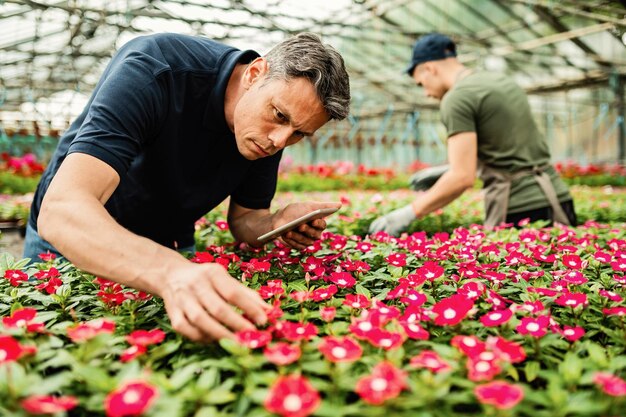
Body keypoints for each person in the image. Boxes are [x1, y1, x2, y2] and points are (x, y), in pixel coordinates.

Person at [23, 32, 350, 342]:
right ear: (254, 74)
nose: (280, 141)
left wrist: (275, 223)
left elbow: (246, 218)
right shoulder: (154, 69)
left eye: (298, 134)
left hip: (168, 242)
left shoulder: (269, 132)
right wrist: (169, 271)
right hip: (75, 238)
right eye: (279, 116)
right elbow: (63, 212)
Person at [369, 33, 576, 236]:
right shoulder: (502, 82)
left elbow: (462, 177)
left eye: (421, 84)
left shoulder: (457, 98)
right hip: (558, 198)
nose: (427, 93)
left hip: (520, 209)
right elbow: (508, 149)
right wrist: (447, 169)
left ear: (430, 68)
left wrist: (408, 213)